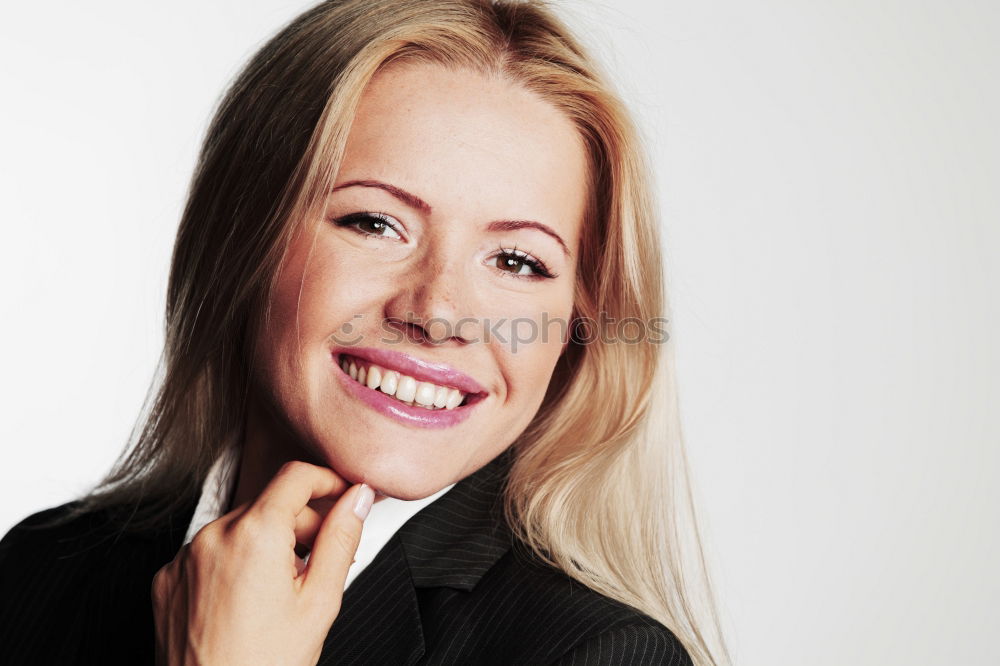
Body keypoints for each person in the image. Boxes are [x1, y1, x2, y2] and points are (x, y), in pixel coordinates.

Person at [0, 1, 729, 664]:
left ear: (577, 324)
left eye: (517, 260)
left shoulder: (602, 654)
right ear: (241, 238)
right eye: (375, 222)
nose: (438, 312)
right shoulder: (39, 568)